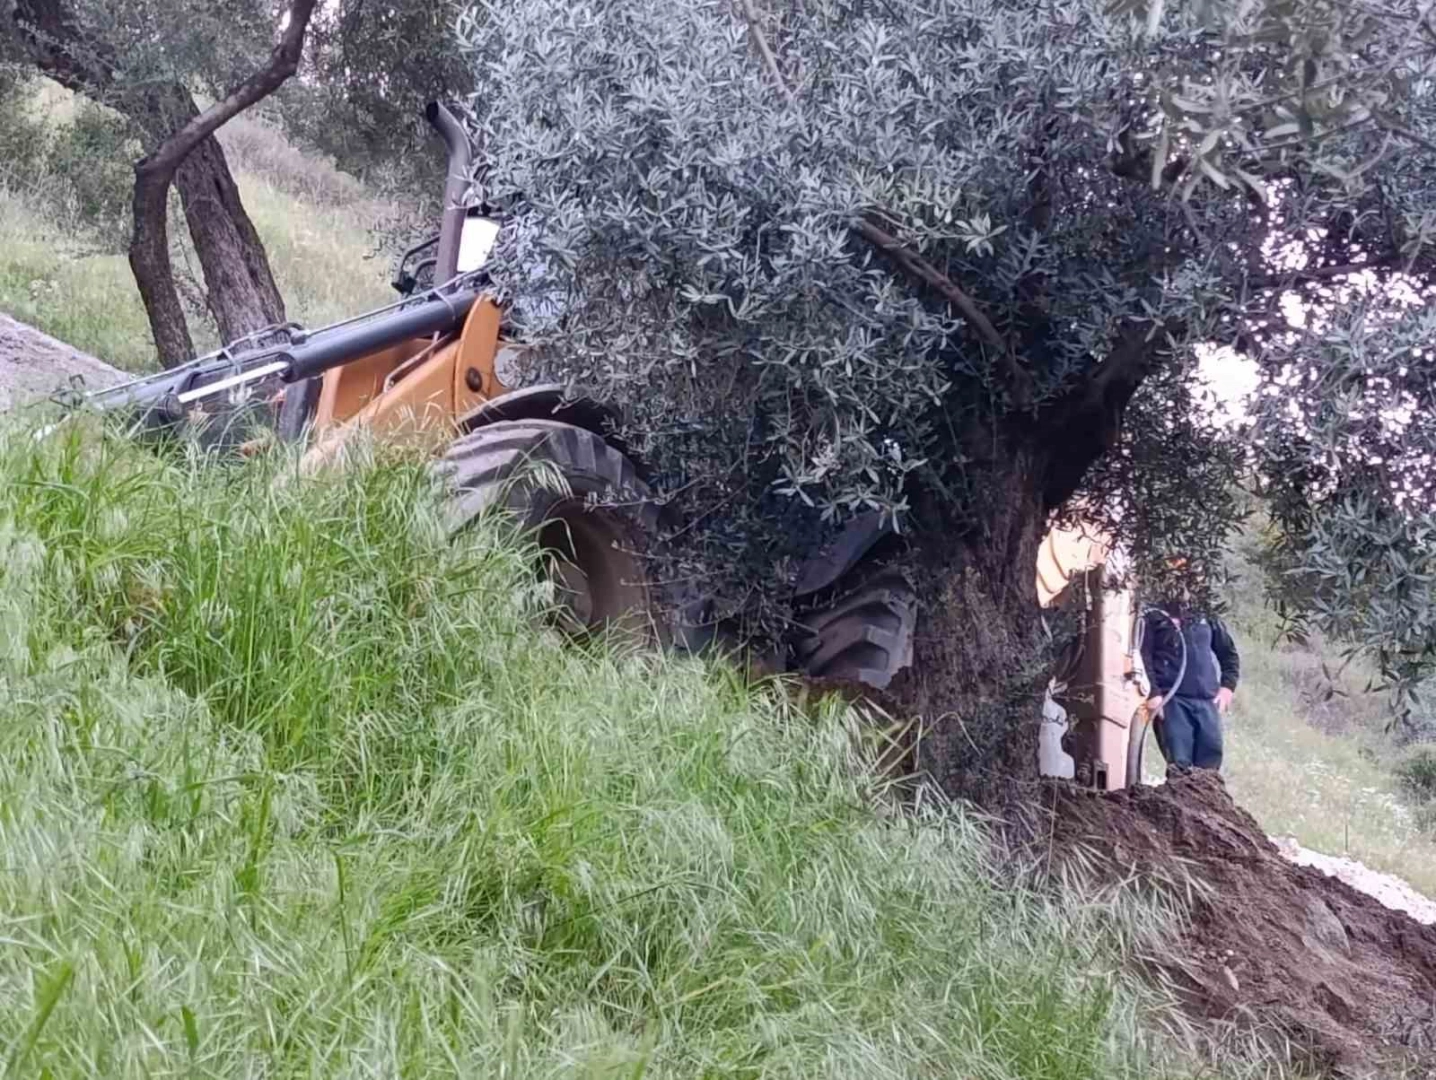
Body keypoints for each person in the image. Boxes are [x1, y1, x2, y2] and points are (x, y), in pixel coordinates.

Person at [1139, 581, 1240, 774]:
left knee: (1210, 763)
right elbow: (1143, 656)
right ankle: (1178, 792)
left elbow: (1229, 654)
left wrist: (1227, 687)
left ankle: (1206, 794)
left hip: (1207, 701)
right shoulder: (1153, 616)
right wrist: (1153, 694)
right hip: (1172, 701)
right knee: (1179, 764)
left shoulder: (1205, 614)